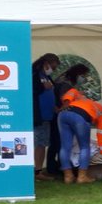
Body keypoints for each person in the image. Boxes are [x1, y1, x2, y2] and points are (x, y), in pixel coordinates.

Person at [56, 64, 98, 184]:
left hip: (62, 116)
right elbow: (66, 101)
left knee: (65, 146)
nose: (84, 78)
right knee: (84, 146)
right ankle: (82, 176)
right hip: (78, 116)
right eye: (83, 75)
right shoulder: (70, 87)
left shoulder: (62, 82)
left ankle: (68, 176)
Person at [31, 53, 60, 181]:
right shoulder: (34, 75)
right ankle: (37, 171)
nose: (53, 69)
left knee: (42, 143)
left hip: (47, 115)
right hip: (39, 116)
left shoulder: (47, 76)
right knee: (39, 143)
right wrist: (43, 87)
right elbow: (31, 90)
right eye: (53, 67)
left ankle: (38, 170)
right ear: (46, 63)